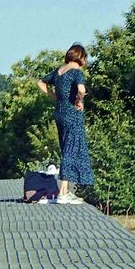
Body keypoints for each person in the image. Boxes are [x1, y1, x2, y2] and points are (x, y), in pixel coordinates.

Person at [36, 44, 94, 205]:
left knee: (66, 148)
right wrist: (79, 101)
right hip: (72, 114)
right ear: (80, 57)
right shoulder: (76, 72)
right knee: (71, 149)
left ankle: (65, 190)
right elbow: (81, 90)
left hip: (60, 112)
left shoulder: (59, 71)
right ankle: (63, 192)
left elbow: (40, 82)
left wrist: (54, 96)